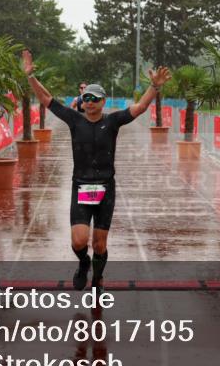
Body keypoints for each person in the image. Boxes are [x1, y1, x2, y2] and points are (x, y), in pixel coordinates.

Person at [23, 50, 171, 291]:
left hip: (105, 188)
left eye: (95, 98)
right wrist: (31, 77)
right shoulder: (74, 120)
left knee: (100, 244)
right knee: (79, 240)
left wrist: (154, 87)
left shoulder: (112, 121)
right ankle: (83, 263)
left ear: (103, 102)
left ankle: (98, 279)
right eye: (86, 98)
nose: (89, 102)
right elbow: (47, 99)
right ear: (82, 101)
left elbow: (141, 107)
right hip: (81, 185)